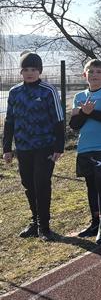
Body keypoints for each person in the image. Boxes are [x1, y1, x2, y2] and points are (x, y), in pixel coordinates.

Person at [2, 52, 64, 241]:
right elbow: (9, 121)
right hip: (23, 147)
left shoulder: (48, 91)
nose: (30, 73)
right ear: (21, 71)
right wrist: (7, 148)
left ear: (40, 71)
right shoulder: (15, 92)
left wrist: (59, 147)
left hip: (45, 146)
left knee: (41, 183)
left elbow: (59, 119)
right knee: (28, 184)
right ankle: (35, 222)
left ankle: (44, 227)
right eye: (26, 69)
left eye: (34, 69)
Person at [69, 59, 101, 245]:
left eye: (99, 72)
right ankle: (95, 222)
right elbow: (74, 125)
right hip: (85, 147)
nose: (94, 75)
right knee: (91, 186)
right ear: (85, 75)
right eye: (91, 72)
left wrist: (86, 112)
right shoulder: (79, 97)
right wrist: (84, 113)